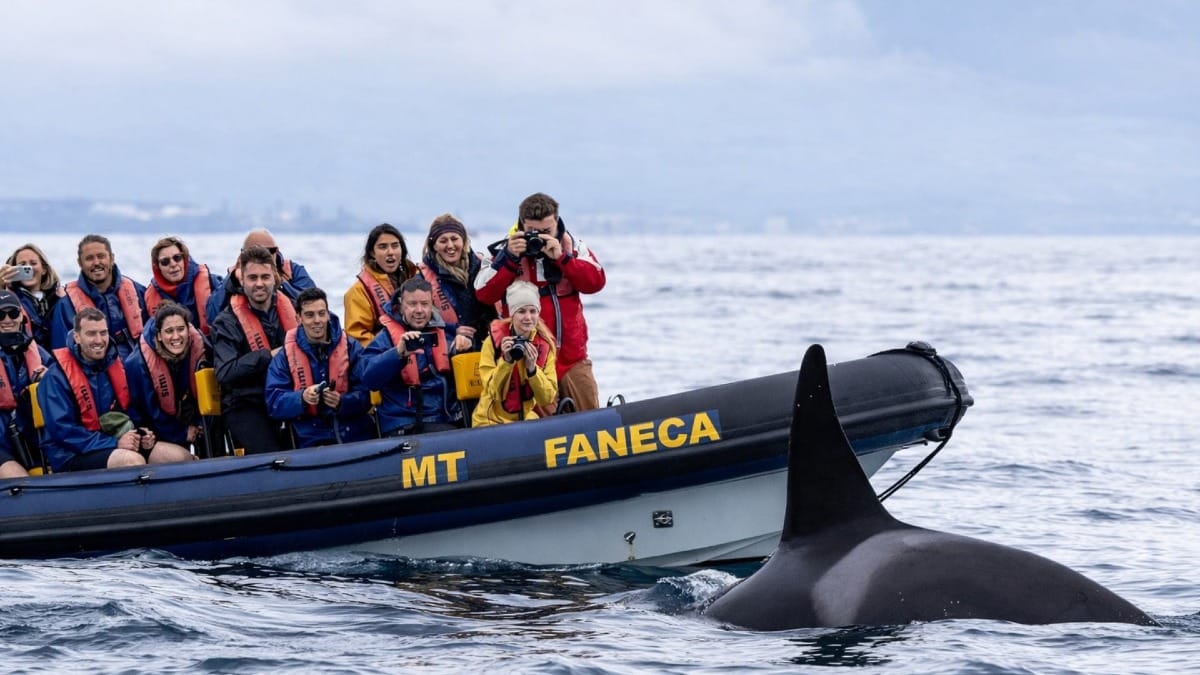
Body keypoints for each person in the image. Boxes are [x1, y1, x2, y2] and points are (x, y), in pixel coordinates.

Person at [475, 192, 605, 411]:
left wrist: (563, 259)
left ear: (557, 222)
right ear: (521, 226)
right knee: (542, 431)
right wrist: (509, 259)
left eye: (547, 231)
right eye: (533, 232)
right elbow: (483, 294)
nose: (540, 238)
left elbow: (596, 282)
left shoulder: (572, 246)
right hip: (530, 359)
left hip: (573, 358)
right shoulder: (503, 252)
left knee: (591, 422)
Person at [37, 307, 193, 472]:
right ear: (77, 337)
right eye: (91, 334)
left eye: (103, 333)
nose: (99, 340)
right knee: (132, 462)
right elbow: (64, 432)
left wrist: (142, 434)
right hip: (70, 454)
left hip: (115, 443)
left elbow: (129, 411)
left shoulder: (115, 366)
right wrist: (114, 443)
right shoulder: (55, 378)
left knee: (180, 457)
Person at [211, 245, 298, 454]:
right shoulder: (226, 322)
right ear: (242, 280)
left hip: (287, 397)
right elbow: (225, 372)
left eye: (265, 277)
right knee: (273, 454)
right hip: (246, 404)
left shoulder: (294, 309)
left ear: (275, 278)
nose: (259, 283)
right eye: (253, 278)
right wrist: (268, 356)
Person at [265, 288, 374, 448]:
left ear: (328, 314)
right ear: (299, 318)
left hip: (353, 433)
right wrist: (302, 398)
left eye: (321, 313)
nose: (317, 320)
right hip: (308, 438)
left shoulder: (352, 348)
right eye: (309, 315)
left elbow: (367, 393)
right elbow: (274, 402)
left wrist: (342, 402)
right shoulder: (285, 356)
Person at [362, 277, 462, 435]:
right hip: (404, 423)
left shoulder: (447, 333)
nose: (419, 310)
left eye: (424, 304)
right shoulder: (386, 338)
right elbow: (368, 379)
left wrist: (464, 346)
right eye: (412, 304)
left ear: (432, 305)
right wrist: (398, 354)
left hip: (446, 418)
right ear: (401, 306)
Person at [124, 302, 211, 455]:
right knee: (181, 458)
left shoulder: (200, 349)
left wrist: (198, 424)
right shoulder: (137, 364)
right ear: (159, 335)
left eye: (181, 329)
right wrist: (182, 432)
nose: (176, 336)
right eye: (169, 331)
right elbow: (149, 414)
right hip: (152, 433)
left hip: (191, 419)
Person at [471, 282, 557, 428]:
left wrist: (532, 370)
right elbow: (493, 392)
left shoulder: (545, 345)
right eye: (521, 311)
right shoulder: (492, 342)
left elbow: (546, 399)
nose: (528, 317)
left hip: (524, 419)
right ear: (512, 314)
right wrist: (506, 361)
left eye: (533, 311)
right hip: (489, 420)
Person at [50, 234, 148, 360]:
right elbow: (62, 352)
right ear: (80, 263)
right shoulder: (66, 304)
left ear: (111, 259)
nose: (96, 263)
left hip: (136, 366)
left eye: (101, 256)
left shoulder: (137, 291)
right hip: (95, 374)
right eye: (89, 258)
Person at [420, 214, 496, 353]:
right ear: (434, 245)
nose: (450, 245)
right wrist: (452, 329)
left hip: (486, 348)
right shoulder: (421, 279)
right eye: (443, 241)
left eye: (454, 239)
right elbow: (417, 319)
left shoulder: (482, 268)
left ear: (464, 241)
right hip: (449, 350)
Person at [206, 230, 316, 326]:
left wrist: (280, 284)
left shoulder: (292, 271)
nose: (262, 257)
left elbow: (314, 305)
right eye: (253, 277)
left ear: (276, 252)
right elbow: (211, 316)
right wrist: (232, 282)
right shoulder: (234, 278)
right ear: (243, 255)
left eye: (269, 252)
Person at [0, 290, 52, 477]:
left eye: (13, 313)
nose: (7, 319)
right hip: (2, 443)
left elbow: (64, 383)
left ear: (22, 316)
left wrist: (50, 380)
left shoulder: (38, 352)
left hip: (31, 439)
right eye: (0, 314)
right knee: (17, 477)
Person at [344, 223, 418, 347]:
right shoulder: (357, 292)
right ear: (372, 253)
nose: (390, 252)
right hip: (387, 356)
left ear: (402, 249)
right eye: (383, 247)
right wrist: (394, 351)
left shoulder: (417, 277)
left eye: (395, 246)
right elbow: (357, 337)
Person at [144, 236, 225, 336]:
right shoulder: (149, 295)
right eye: (165, 262)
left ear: (185, 259)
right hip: (175, 348)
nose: (173, 264)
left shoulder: (213, 283)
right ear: (157, 267)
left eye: (177, 258)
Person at [4, 243, 65, 350]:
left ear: (44, 269)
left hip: (58, 360)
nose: (28, 268)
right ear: (13, 270)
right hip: (27, 360)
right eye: (22, 265)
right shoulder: (7, 301)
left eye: (33, 263)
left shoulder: (61, 298)